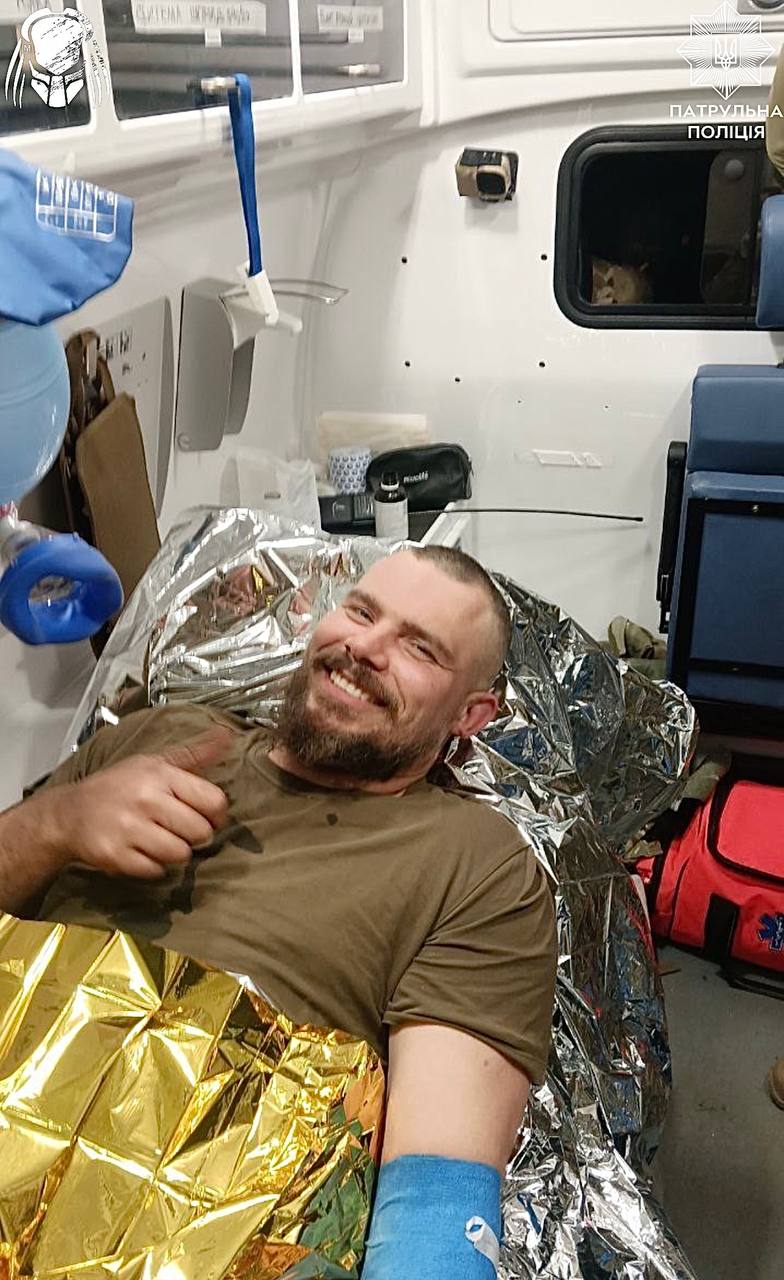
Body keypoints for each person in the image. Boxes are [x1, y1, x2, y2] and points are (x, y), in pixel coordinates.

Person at [0, 544, 556, 1277]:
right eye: (361, 612)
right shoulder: (158, 737)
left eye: (419, 648)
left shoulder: (478, 865)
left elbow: (434, 1206)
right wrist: (56, 823)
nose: (366, 648)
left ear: (470, 714)